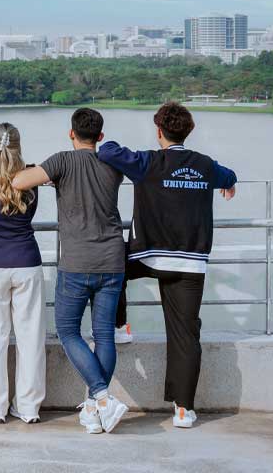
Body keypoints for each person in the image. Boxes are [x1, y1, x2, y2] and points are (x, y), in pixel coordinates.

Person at [98, 102, 237, 429]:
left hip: (148, 256)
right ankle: (184, 410)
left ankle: (120, 326)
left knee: (111, 265)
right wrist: (227, 183)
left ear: (159, 131)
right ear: (187, 132)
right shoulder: (204, 166)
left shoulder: (149, 161)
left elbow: (107, 151)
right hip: (191, 264)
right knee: (186, 335)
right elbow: (229, 175)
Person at [12, 108, 129, 434]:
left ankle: (102, 398)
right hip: (112, 260)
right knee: (104, 334)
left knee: (67, 331)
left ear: (71, 133)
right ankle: (94, 410)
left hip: (77, 262)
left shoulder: (62, 161)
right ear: (101, 136)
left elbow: (20, 181)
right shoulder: (113, 162)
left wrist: (49, 175)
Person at [0, 123, 45, 425]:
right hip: (27, 260)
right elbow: (32, 213)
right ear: (17, 145)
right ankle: (28, 407)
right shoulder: (30, 180)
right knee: (30, 338)